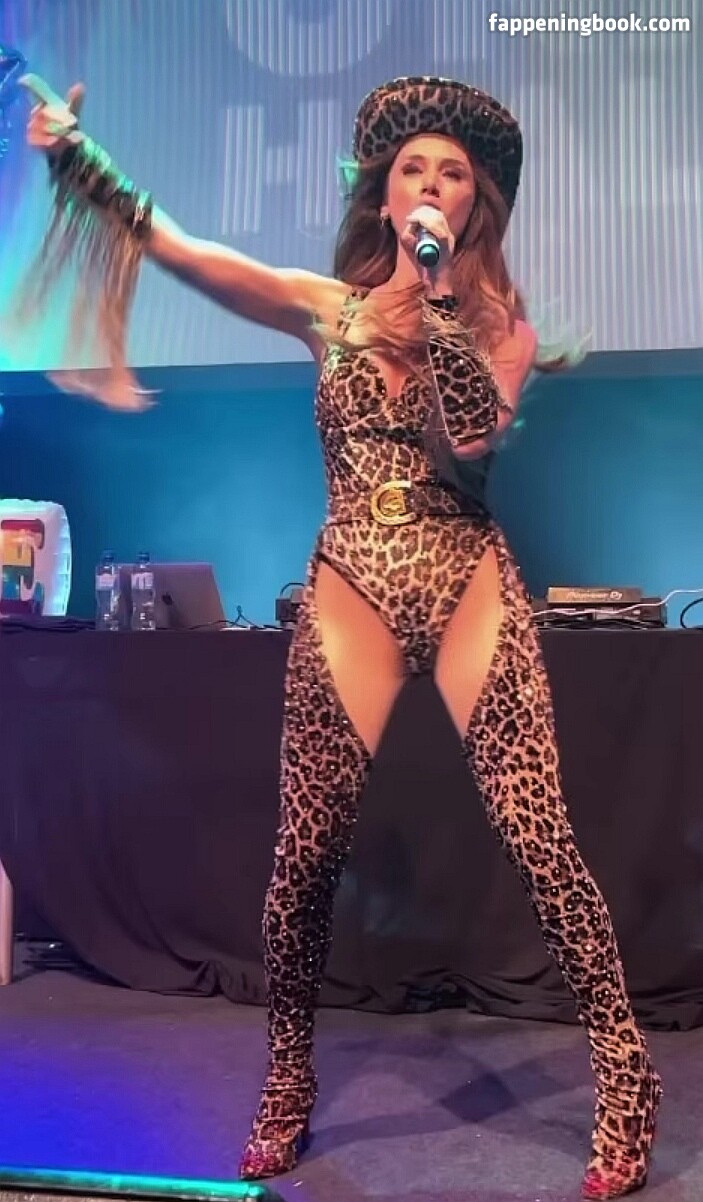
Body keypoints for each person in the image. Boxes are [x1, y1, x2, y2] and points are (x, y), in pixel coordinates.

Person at [20, 73, 660, 1199]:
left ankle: (626, 1072)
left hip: (461, 570)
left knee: (541, 839)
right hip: (352, 575)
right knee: (303, 861)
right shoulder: (329, 310)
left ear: (474, 204)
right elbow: (189, 254)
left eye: (452, 174)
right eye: (413, 169)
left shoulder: (502, 329)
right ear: (384, 193)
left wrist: (440, 293)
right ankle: (286, 1078)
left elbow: (470, 435)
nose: (431, 185)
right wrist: (84, 163)